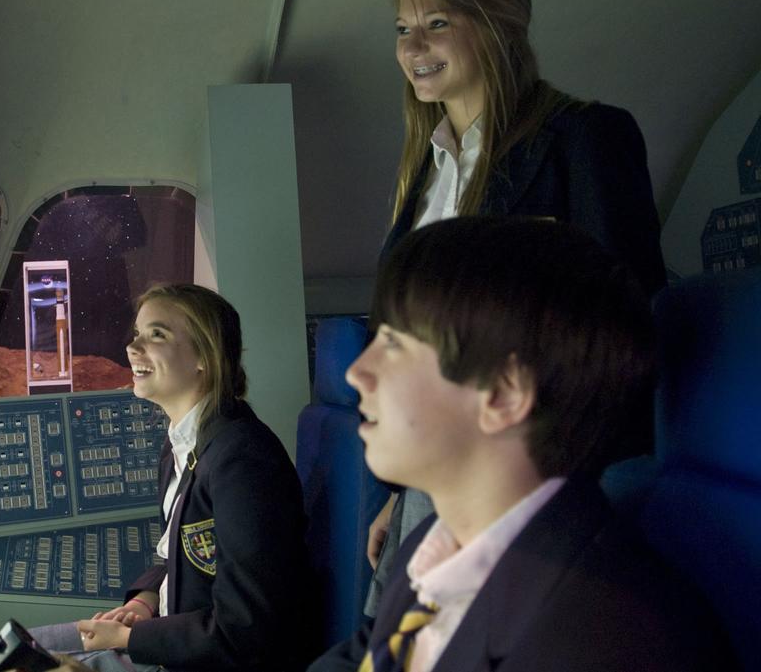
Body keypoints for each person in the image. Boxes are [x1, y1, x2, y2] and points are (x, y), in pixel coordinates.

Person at [365, 0, 666, 613]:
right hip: (442, 469)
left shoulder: (584, 138)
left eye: (438, 22)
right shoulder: (425, 172)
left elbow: (623, 319)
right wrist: (404, 490)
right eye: (402, 28)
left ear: (499, 24)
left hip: (536, 475)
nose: (413, 45)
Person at [307, 216, 736, 672]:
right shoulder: (431, 547)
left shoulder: (606, 639)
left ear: (504, 394)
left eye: (392, 344)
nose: (356, 373)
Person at [21, 283, 316, 672]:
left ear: (204, 357)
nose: (132, 347)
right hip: (171, 630)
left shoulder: (242, 461)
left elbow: (247, 627)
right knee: (22, 648)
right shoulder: (182, 445)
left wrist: (130, 639)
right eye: (138, 333)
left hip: (213, 660)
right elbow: (176, 552)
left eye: (156, 334)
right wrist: (143, 599)